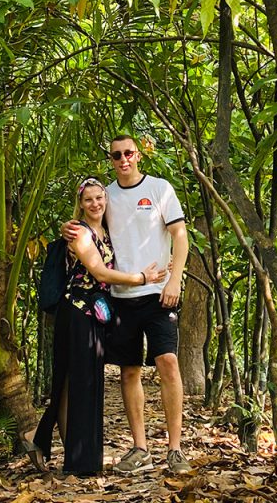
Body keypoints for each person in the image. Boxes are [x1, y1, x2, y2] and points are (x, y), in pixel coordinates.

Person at [63, 135, 191, 474]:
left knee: (168, 362)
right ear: (111, 159)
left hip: (160, 293)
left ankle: (175, 449)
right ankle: (140, 448)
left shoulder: (161, 188)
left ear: (139, 155)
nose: (124, 159)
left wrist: (175, 279)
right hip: (121, 297)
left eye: (129, 153)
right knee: (129, 370)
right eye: (117, 155)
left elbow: (180, 236)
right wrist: (69, 225)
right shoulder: (106, 195)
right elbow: (89, 223)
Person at [22, 177, 166, 476]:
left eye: (100, 197)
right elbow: (99, 270)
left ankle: (47, 442)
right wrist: (142, 278)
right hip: (76, 311)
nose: (96, 203)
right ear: (81, 203)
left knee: (83, 384)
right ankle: (75, 459)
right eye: (89, 199)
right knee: (73, 383)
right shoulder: (80, 232)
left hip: (96, 313)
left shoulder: (107, 230)